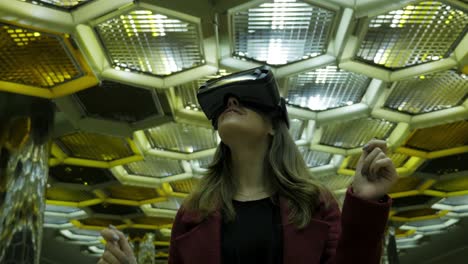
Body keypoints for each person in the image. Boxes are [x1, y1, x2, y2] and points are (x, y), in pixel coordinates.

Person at [98, 69, 397, 264]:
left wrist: (366, 205)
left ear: (272, 126)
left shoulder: (315, 204)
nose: (230, 102)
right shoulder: (192, 213)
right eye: (224, 102)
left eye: (244, 99)